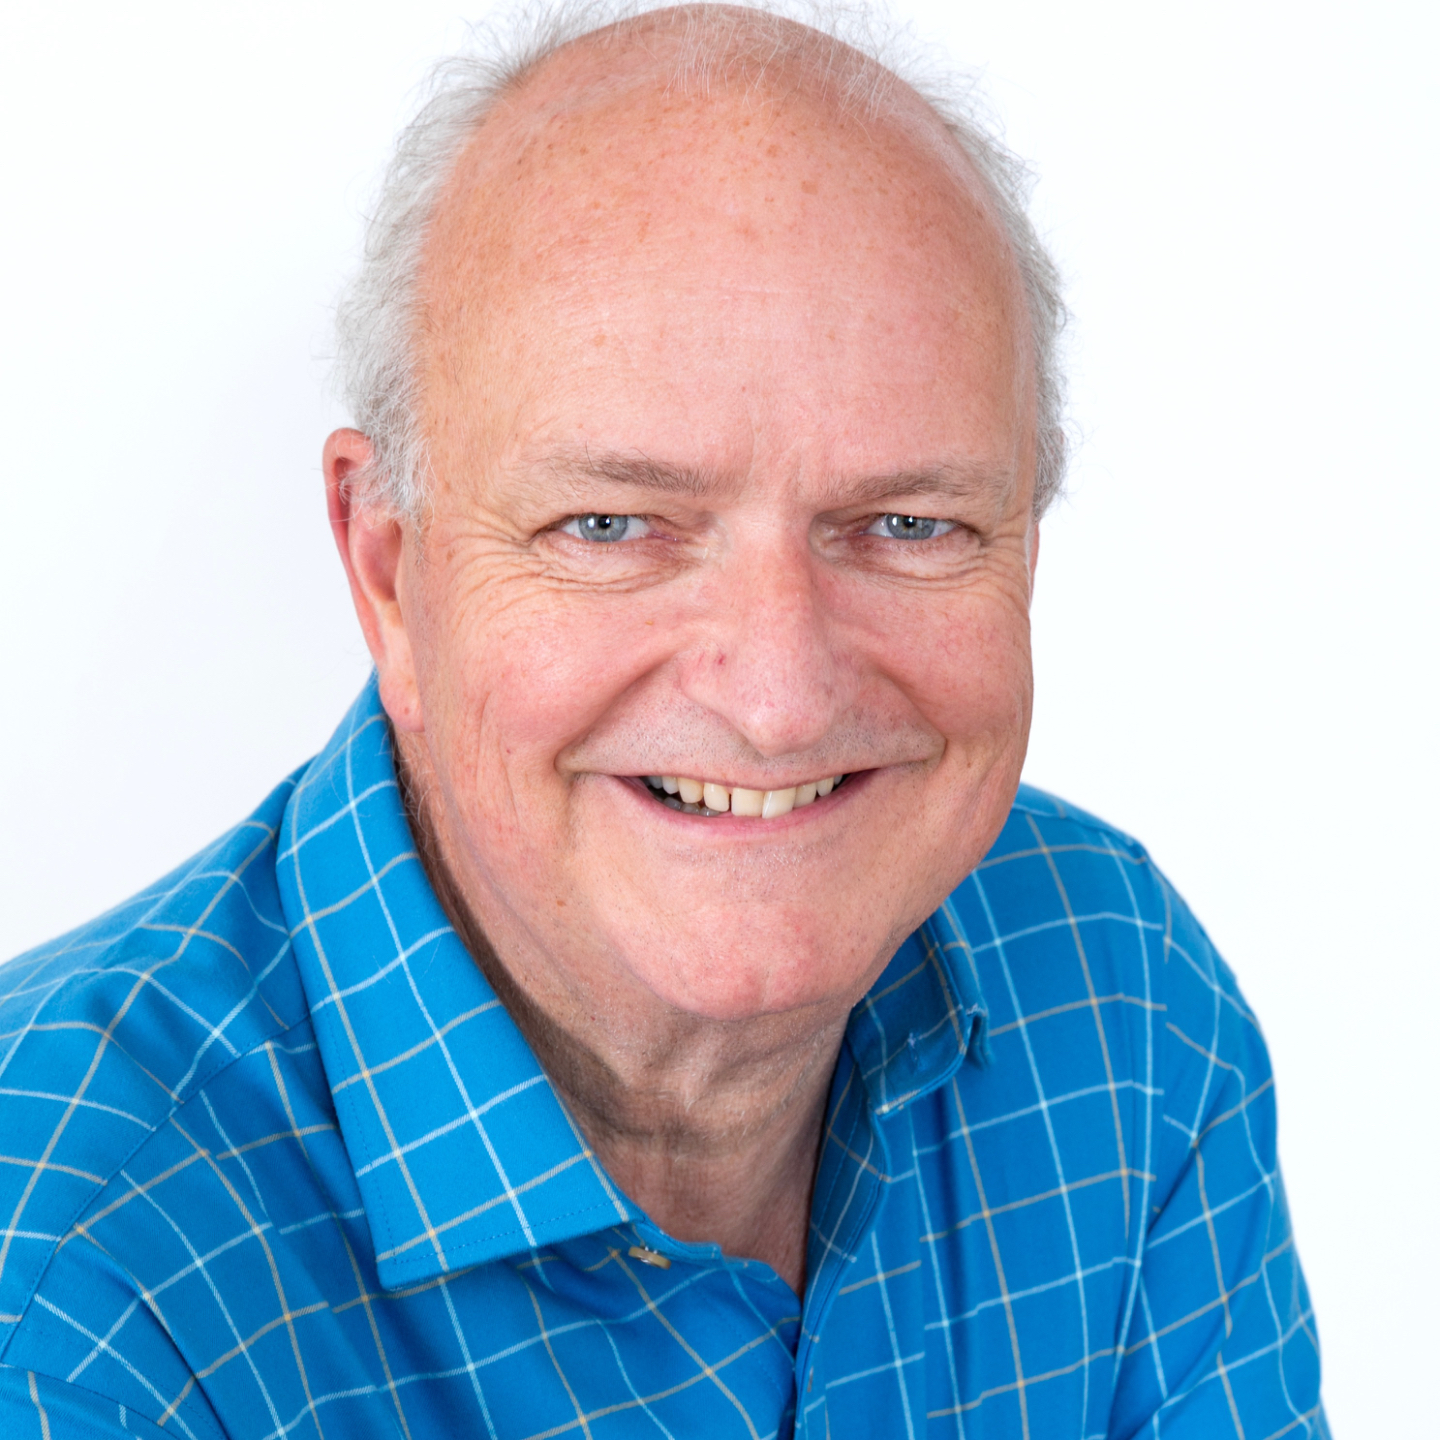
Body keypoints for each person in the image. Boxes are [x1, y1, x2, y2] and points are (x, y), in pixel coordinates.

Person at [0, 3, 1326, 1435]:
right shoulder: (62, 1284)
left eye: (907, 524)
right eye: (612, 524)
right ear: (388, 571)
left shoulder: (1116, 993)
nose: (778, 699)